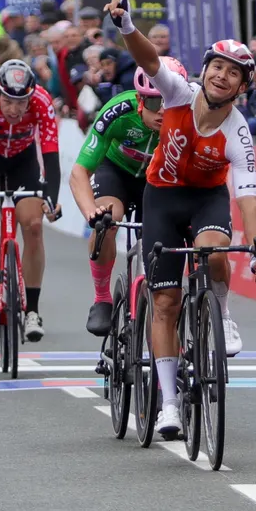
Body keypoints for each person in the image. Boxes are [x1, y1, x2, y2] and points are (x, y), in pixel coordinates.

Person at [106, 0, 256, 438]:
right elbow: (148, 60)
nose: (221, 76)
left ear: (242, 85)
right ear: (206, 71)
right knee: (165, 301)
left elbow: (248, 194)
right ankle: (170, 405)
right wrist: (126, 26)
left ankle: (222, 310)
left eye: (232, 73)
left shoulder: (239, 132)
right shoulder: (177, 93)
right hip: (163, 196)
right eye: (216, 67)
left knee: (215, 252)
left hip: (206, 199)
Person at [69, 60, 187, 336]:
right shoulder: (118, 111)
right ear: (140, 100)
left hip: (157, 180)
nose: (162, 113)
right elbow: (79, 172)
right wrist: (92, 214)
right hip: (117, 172)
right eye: (155, 104)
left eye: (168, 104)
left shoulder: (187, 116)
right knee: (108, 220)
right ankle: (101, 298)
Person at [0, 60, 63, 342]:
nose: (15, 110)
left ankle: (33, 310)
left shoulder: (41, 100)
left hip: (22, 160)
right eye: (8, 102)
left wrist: (51, 195)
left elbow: (51, 153)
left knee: (33, 225)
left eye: (21, 102)